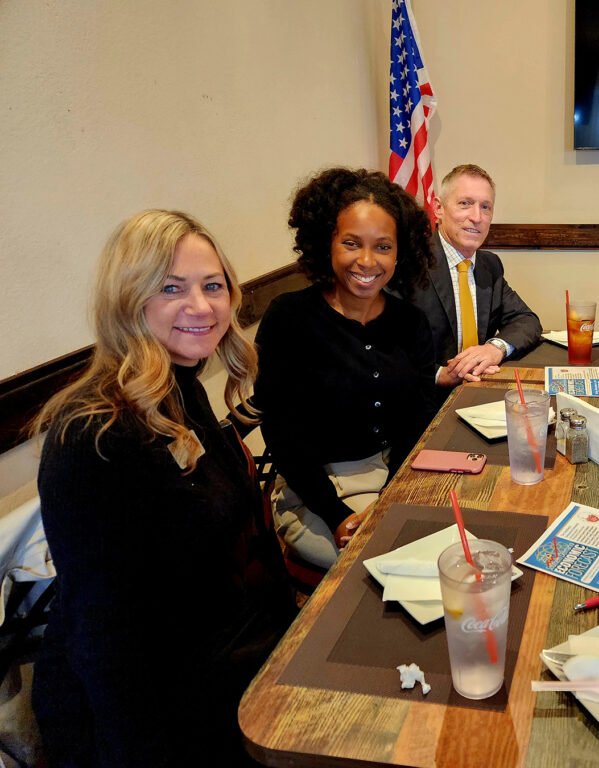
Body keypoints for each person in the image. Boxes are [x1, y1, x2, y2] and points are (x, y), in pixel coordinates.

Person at [31, 210, 295, 767]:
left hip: (226, 657)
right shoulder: (95, 431)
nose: (201, 307)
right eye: (171, 288)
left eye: (213, 286)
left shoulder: (179, 388)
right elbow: (106, 639)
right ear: (128, 299)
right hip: (150, 713)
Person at [254, 168, 437, 570]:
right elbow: (282, 434)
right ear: (327, 242)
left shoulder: (411, 322)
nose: (367, 261)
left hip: (398, 473)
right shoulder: (289, 318)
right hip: (315, 490)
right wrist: (337, 515)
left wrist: (391, 497)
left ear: (399, 252)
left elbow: (419, 418)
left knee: (446, 553)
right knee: (382, 566)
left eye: (383, 247)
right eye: (351, 243)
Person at [405, 164, 542, 399]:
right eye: (465, 203)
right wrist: (438, 374)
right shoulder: (410, 263)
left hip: (479, 392)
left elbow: (526, 320)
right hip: (421, 402)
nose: (477, 217)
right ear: (438, 208)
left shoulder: (489, 265)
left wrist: (494, 348)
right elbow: (383, 346)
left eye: (485, 207)